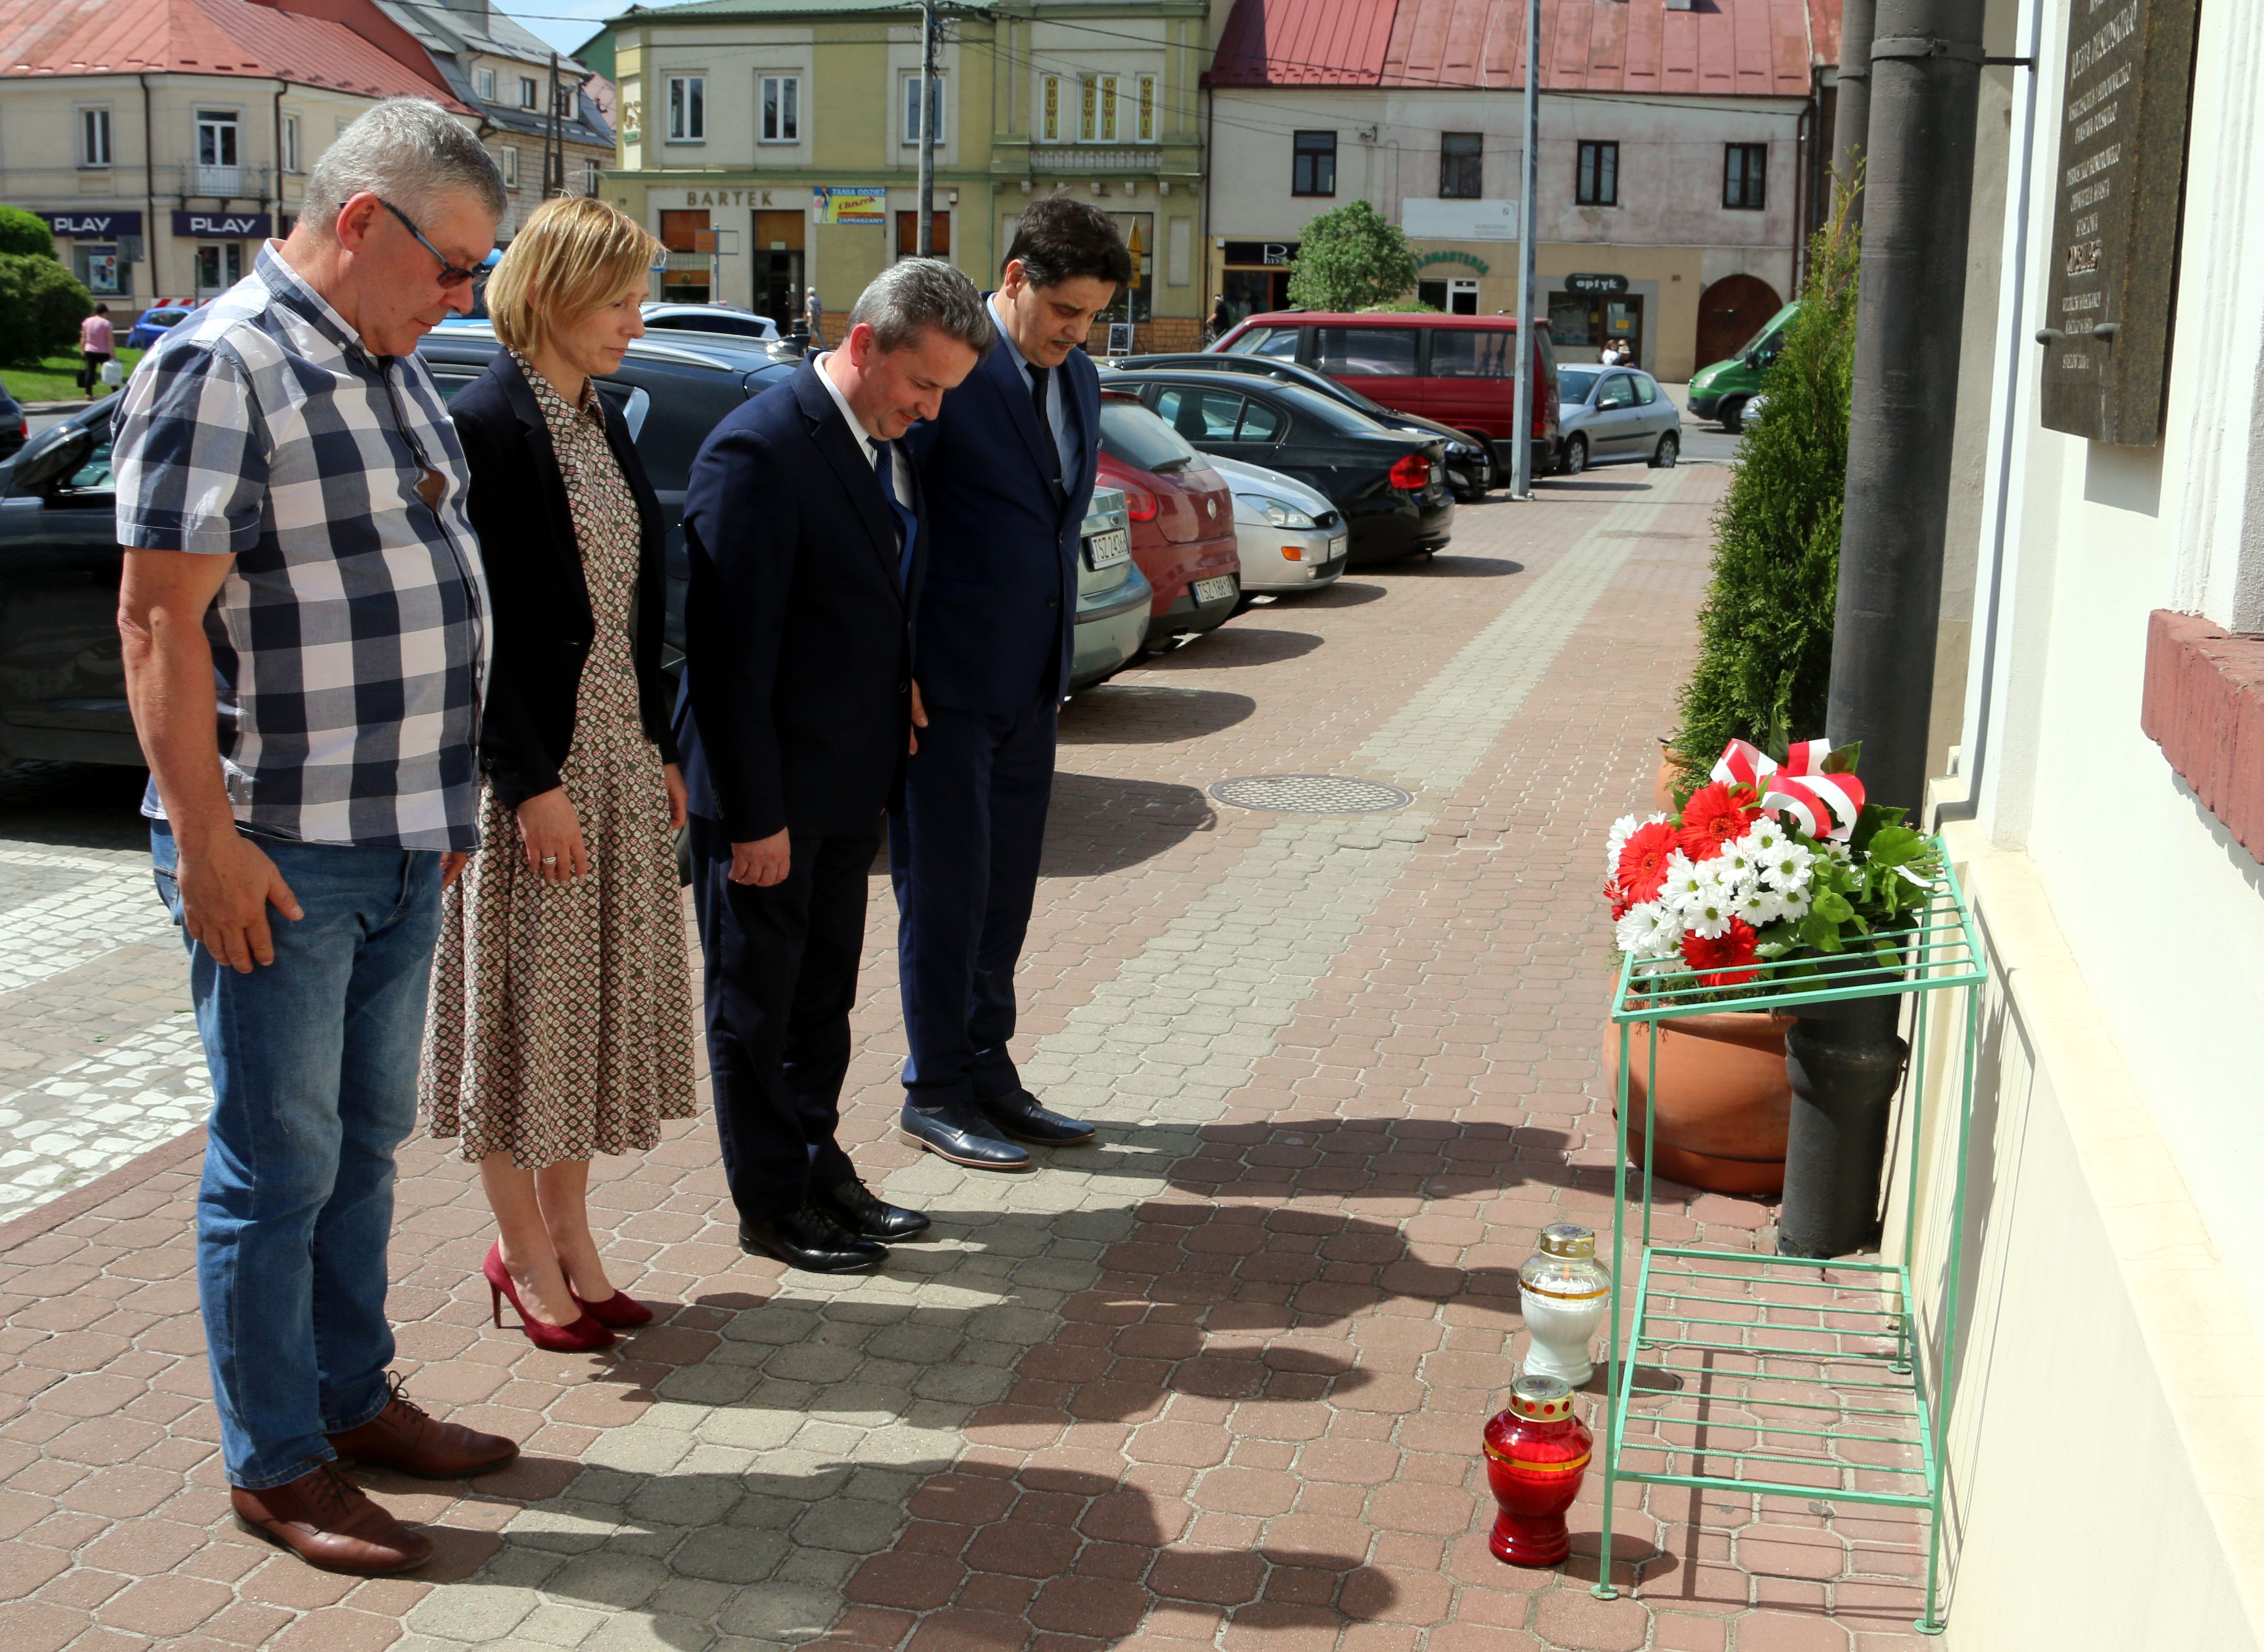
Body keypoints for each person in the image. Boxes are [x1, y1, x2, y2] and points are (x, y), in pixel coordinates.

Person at [113, 97, 517, 1577]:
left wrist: (444, 811)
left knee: (361, 1145)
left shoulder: (387, 363)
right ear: (364, 222)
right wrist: (206, 843)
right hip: (280, 848)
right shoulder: (225, 365)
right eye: (456, 265)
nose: (467, 295)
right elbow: (159, 619)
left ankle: (350, 1398)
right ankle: (272, 1458)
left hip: (403, 840)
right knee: (273, 1165)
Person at [675, 260, 991, 1272]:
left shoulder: (875, 445)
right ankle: (770, 1203)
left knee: (819, 999)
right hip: (770, 797)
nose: (932, 411)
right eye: (922, 385)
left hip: (847, 780)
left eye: (945, 391)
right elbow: (729, 657)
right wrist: (752, 814)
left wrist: (895, 678)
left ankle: (818, 1170)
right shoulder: (759, 451)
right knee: (757, 1006)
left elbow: (863, 595)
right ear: (865, 346)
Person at [419, 195, 695, 1349]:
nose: (639, 318)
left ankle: (575, 1239)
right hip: (530, 773)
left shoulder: (597, 418)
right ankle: (520, 1249)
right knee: (523, 1022)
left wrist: (661, 745)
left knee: (587, 1029)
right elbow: (469, 631)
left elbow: (632, 604)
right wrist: (529, 781)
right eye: (621, 298)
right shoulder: (486, 422)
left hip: (618, 762)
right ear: (552, 295)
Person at [892, 198, 1129, 1171]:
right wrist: (898, 661)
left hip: (1033, 683)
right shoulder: (955, 367)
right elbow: (900, 515)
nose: (1077, 334)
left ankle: (989, 1070)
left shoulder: (1075, 379)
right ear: (1016, 277)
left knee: (1005, 893)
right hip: (943, 685)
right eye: (1066, 310)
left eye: (1094, 318)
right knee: (945, 893)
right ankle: (935, 1087)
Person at [79, 304, 113, 396]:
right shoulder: (106, 324)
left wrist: (82, 349)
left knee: (90, 372)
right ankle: (115, 391)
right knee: (109, 371)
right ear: (105, 312)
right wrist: (112, 352)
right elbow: (109, 339)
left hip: (89, 350)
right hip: (103, 352)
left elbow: (83, 337)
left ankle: (88, 393)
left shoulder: (87, 322)